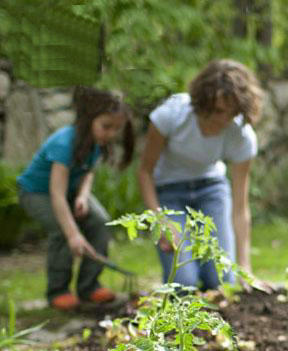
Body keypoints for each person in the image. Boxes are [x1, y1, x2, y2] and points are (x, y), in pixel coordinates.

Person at [138, 58, 270, 292]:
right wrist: (161, 222)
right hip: (168, 192)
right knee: (183, 283)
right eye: (218, 111)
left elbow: (240, 208)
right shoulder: (171, 116)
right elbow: (145, 172)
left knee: (221, 280)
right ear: (203, 101)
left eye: (230, 113)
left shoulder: (241, 135)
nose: (223, 120)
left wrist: (245, 268)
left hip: (211, 190)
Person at [17, 86, 135, 311]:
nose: (111, 134)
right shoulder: (64, 143)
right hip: (37, 193)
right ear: (89, 119)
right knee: (62, 231)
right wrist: (74, 235)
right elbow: (57, 194)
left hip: (71, 192)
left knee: (100, 222)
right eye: (106, 127)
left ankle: (89, 286)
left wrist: (82, 195)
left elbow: (87, 171)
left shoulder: (96, 143)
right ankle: (58, 291)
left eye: (116, 129)